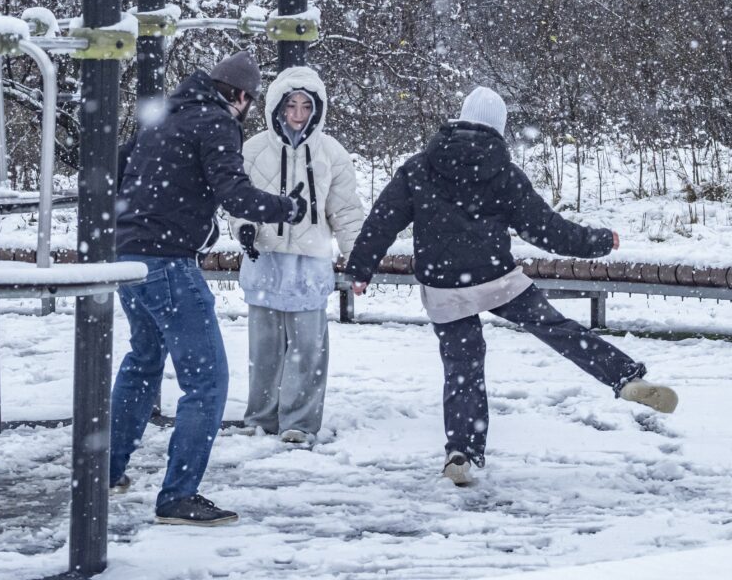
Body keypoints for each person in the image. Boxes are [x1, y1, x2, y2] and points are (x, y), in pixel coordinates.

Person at [344, 86, 678, 486]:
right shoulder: (502, 171)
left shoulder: (418, 167)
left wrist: (361, 269)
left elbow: (383, 220)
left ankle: (462, 450)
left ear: (461, 117)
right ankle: (625, 378)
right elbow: (546, 229)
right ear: (498, 127)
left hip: (445, 288)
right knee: (557, 329)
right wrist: (599, 241)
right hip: (497, 279)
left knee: (463, 369)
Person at [111, 50, 307, 526]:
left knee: (142, 363)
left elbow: (118, 173)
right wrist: (286, 208)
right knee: (208, 381)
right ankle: (178, 497)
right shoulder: (215, 121)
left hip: (129, 257)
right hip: (169, 264)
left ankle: (106, 470)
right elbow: (233, 192)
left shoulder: (161, 117)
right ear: (240, 96)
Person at [228, 66, 366, 444]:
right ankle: (261, 417)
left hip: (310, 264)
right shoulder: (253, 149)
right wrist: (244, 228)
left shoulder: (331, 153)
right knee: (265, 350)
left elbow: (346, 211)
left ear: (317, 109)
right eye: (292, 105)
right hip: (266, 260)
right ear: (278, 106)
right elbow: (237, 201)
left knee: (307, 350)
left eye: (307, 106)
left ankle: (299, 422)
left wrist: (358, 260)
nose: (299, 114)